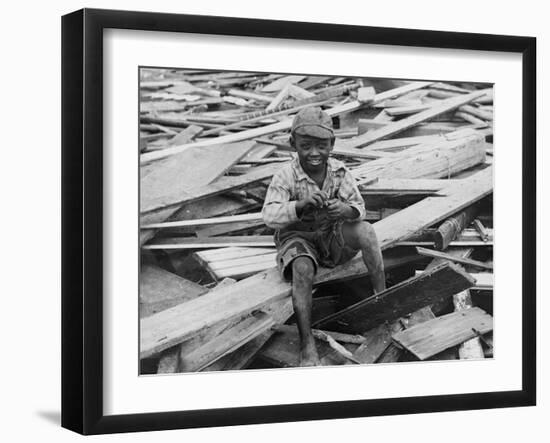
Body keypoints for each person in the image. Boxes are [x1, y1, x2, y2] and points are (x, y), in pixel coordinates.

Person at [262, 106, 386, 367]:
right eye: (306, 146)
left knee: (366, 230)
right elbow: (269, 216)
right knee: (303, 268)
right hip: (299, 240)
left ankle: (382, 301)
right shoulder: (285, 176)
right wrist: (300, 205)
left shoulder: (340, 172)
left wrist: (345, 210)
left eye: (321, 146)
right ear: (292, 144)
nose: (314, 153)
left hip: (331, 237)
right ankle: (307, 343)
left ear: (332, 144)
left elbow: (359, 207)